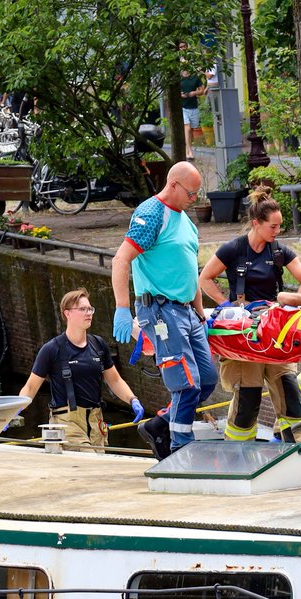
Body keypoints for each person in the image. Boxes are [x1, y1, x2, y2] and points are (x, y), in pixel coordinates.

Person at [111, 161, 218, 459]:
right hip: (161, 312)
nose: (195, 199)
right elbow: (121, 260)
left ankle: (160, 424)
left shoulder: (187, 222)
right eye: (191, 192)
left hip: (186, 311)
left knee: (207, 378)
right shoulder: (151, 214)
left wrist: (200, 312)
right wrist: (122, 308)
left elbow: (189, 271)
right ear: (173, 185)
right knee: (186, 383)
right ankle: (180, 448)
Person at [198, 186, 301, 443]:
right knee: (248, 400)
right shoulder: (234, 249)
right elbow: (204, 278)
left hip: (274, 330)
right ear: (256, 223)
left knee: (289, 392)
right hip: (245, 334)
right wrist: (227, 305)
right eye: (273, 226)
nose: (277, 231)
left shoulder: (279, 251)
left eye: (279, 226)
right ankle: (237, 450)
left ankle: (294, 447)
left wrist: (291, 305)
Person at [19, 288, 144, 451]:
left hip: (95, 422)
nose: (88, 313)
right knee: (87, 462)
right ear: (67, 313)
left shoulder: (98, 345)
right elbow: (31, 387)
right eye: (82, 309)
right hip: (67, 423)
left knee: (99, 467)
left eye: (90, 309)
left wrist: (132, 399)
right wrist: (14, 411)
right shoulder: (52, 349)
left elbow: (114, 380)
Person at [179, 67, 206, 160]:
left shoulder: (195, 78)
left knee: (191, 129)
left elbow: (202, 90)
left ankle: (187, 148)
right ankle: (189, 151)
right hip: (183, 107)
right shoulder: (178, 78)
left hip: (193, 107)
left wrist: (194, 92)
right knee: (187, 127)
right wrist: (181, 95)